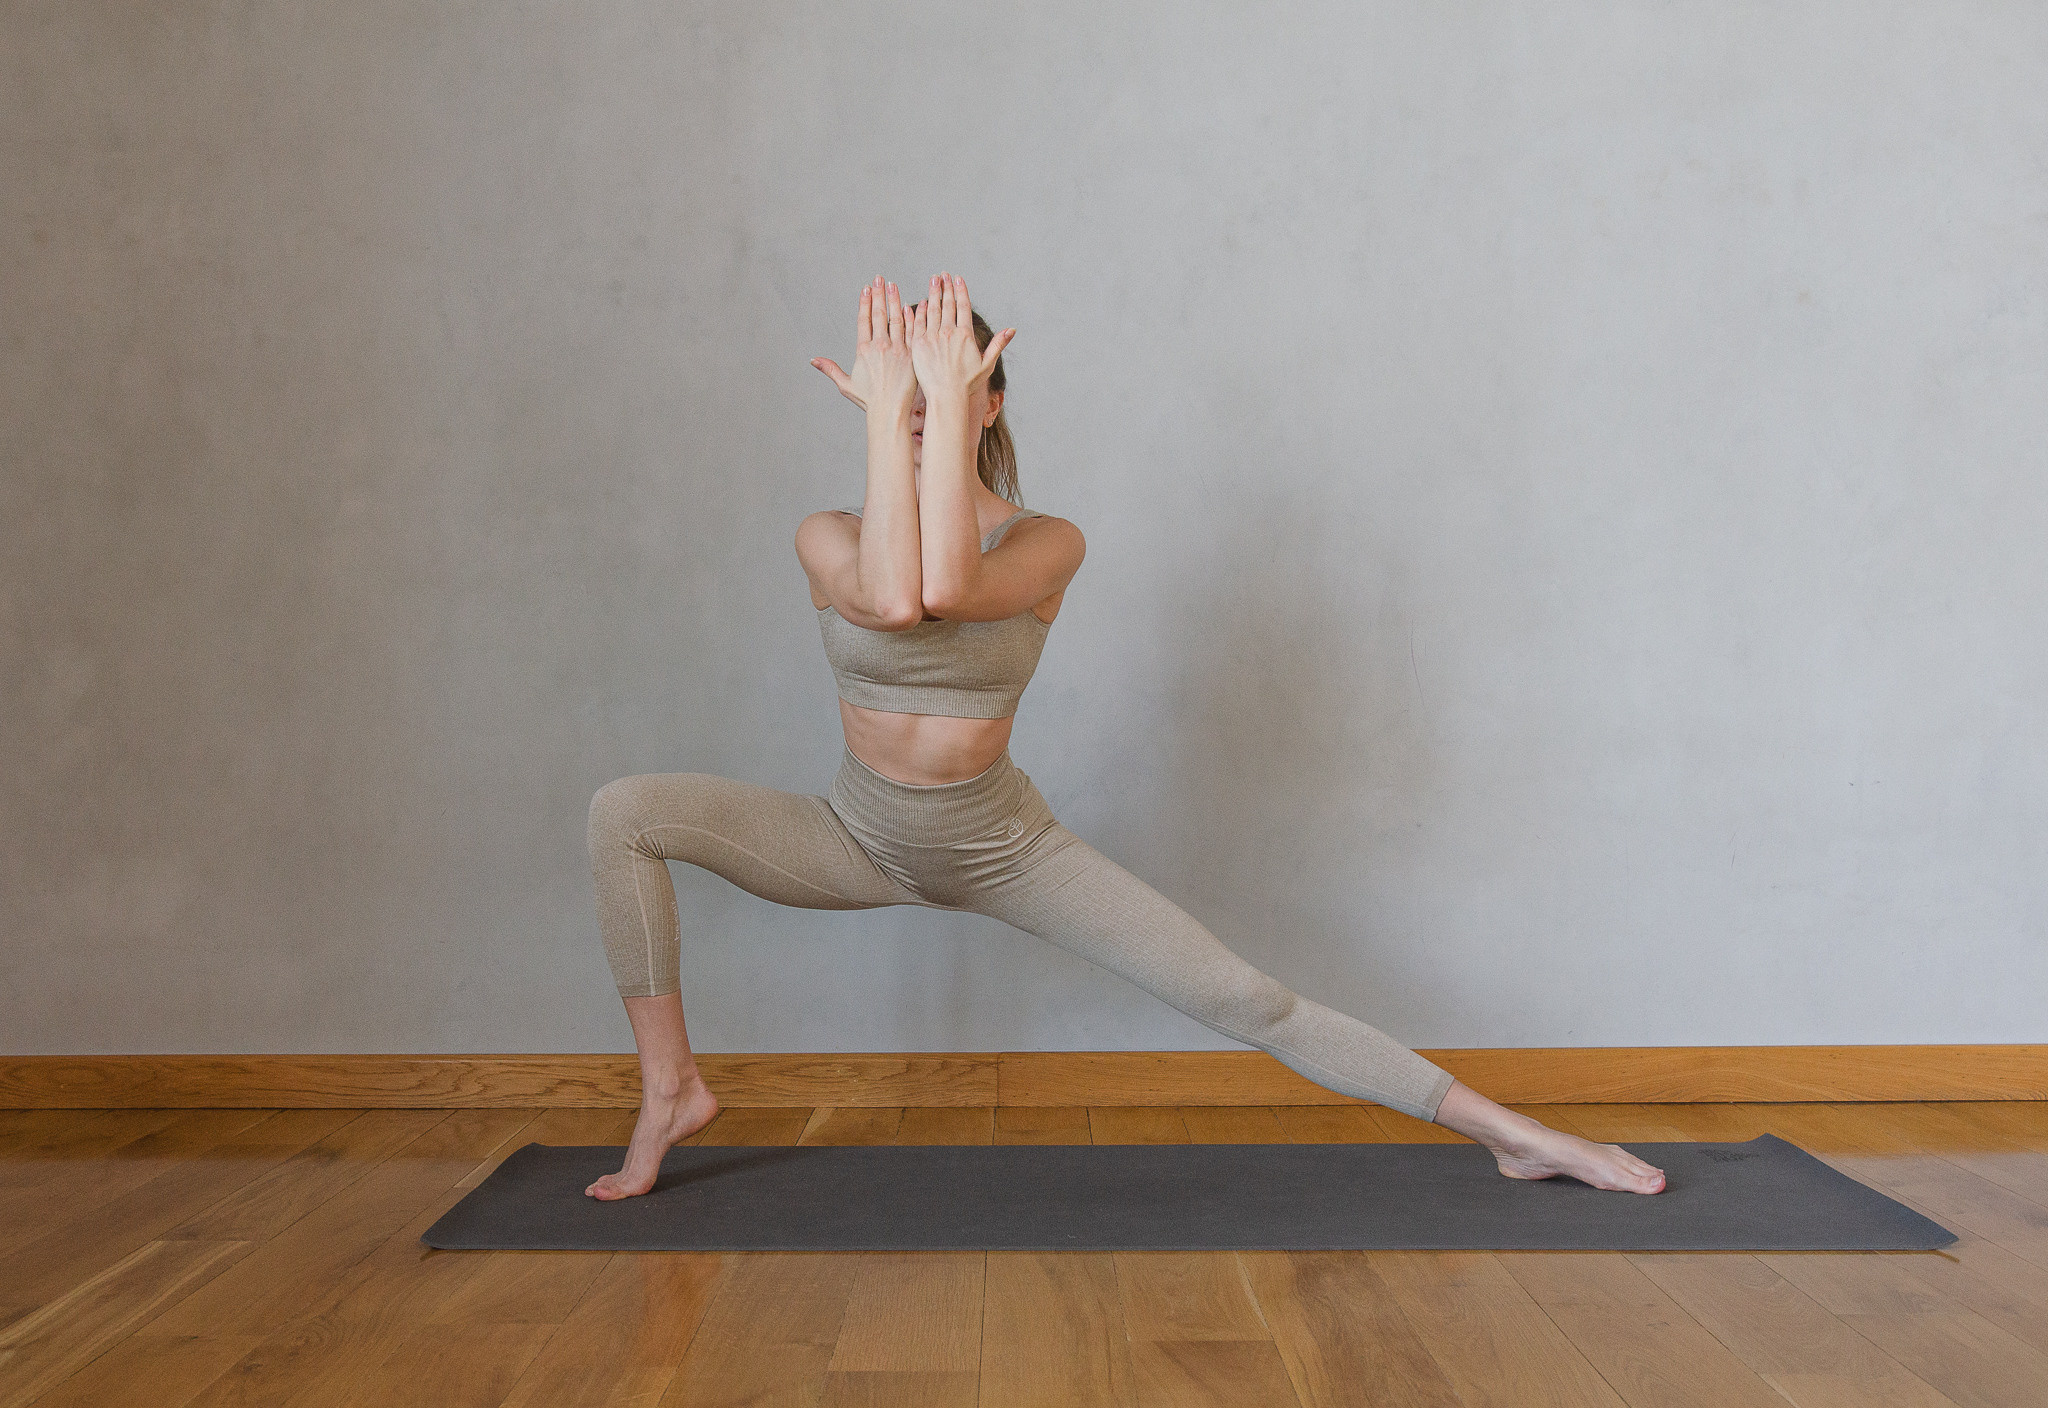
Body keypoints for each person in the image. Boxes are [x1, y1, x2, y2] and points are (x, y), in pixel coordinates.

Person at [583, 272, 1667, 1201]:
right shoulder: (829, 533)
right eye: (897, 390)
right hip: (854, 835)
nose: (915, 406)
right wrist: (897, 412)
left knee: (1245, 998)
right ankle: (670, 1089)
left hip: (1003, 847)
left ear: (991, 398)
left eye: (943, 387)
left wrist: (930, 411)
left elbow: (944, 591)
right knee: (624, 813)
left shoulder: (1047, 541)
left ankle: (1519, 1138)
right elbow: (887, 598)